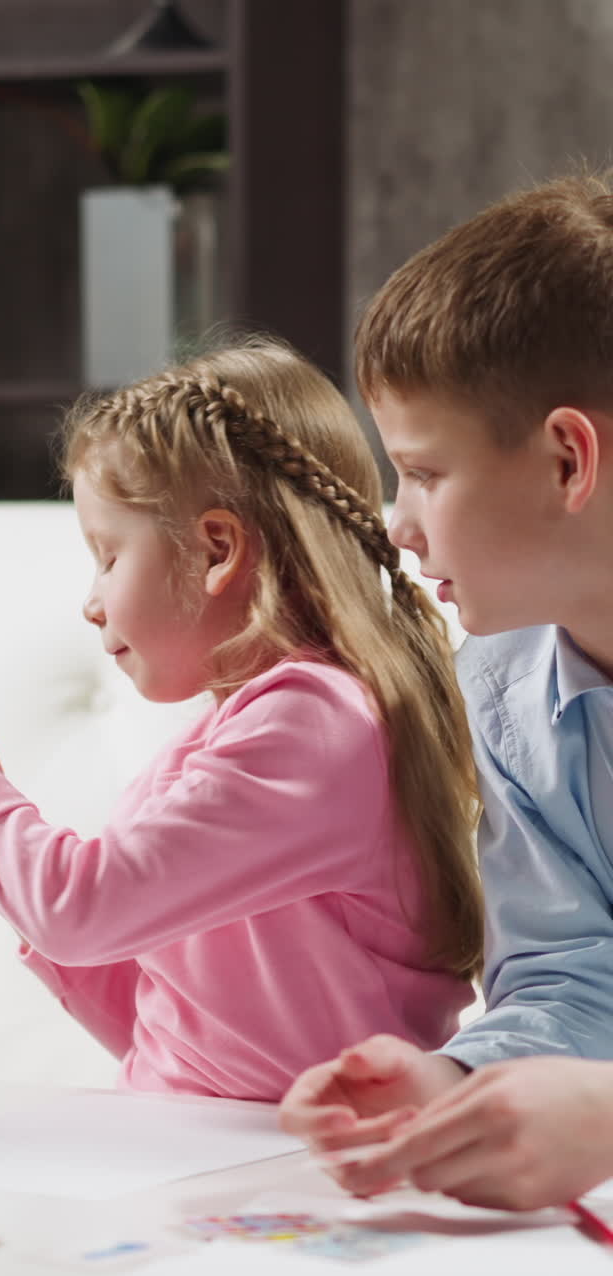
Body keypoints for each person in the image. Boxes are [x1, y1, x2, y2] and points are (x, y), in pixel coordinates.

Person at [0, 338, 482, 1100]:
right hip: (205, 1140)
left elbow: (80, 909)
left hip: (297, 1152)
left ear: (216, 550)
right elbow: (169, 1032)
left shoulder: (312, 727)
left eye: (108, 557)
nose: (91, 602)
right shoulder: (250, 730)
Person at [279, 172, 613, 1207]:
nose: (397, 524)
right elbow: (571, 971)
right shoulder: (505, 695)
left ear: (567, 460)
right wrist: (456, 1081)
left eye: (423, 473)